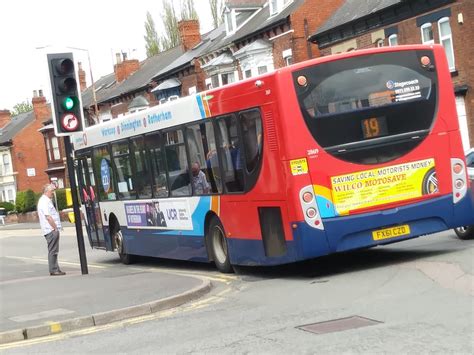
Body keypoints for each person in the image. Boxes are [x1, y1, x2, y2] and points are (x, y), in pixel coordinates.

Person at [37, 183, 65, 276]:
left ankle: (56, 268)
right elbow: (48, 217)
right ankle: (53, 270)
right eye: (51, 191)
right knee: (53, 250)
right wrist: (55, 228)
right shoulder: (44, 201)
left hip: (51, 229)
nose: (52, 193)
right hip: (50, 230)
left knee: (54, 250)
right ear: (46, 192)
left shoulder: (45, 200)